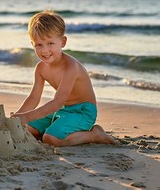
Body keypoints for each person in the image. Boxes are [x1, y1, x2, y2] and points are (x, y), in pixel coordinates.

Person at [12, 11, 118, 147]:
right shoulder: (40, 68)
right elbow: (34, 98)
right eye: (39, 45)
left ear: (63, 42)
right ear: (33, 44)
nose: (44, 50)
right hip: (62, 110)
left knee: (51, 139)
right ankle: (55, 128)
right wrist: (19, 116)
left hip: (82, 111)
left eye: (50, 43)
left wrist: (27, 117)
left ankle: (94, 134)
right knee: (26, 130)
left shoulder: (70, 67)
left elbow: (57, 102)